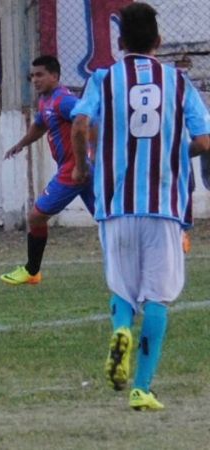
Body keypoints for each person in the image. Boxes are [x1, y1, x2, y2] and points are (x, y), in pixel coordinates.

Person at [71, 2, 210, 411]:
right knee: (157, 297)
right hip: (163, 205)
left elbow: (80, 124)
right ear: (159, 41)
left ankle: (120, 330)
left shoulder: (103, 78)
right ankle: (142, 388)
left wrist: (82, 166)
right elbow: (204, 141)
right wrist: (176, 153)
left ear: (119, 43)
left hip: (115, 205)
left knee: (122, 287)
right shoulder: (179, 83)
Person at [0, 55, 95, 286]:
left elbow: (88, 120)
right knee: (110, 218)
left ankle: (32, 271)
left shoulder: (64, 100)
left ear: (55, 76)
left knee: (36, 216)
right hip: (80, 168)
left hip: (74, 170)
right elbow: (41, 125)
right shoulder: (46, 101)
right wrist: (21, 143)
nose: (35, 79)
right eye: (32, 75)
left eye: (40, 74)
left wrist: (86, 159)